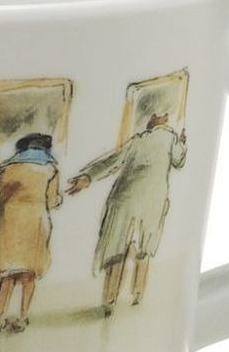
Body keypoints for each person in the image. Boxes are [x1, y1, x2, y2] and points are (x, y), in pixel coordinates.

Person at [67, 113, 187, 314]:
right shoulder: (170, 139)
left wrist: (88, 176)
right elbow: (179, 161)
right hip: (152, 202)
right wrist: (182, 144)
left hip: (124, 200)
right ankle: (138, 292)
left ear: (158, 118)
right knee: (144, 248)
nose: (150, 119)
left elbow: (113, 161)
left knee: (117, 249)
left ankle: (109, 299)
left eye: (153, 116)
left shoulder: (138, 141)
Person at [0, 133, 63, 332]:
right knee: (29, 275)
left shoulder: (6, 170)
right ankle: (22, 317)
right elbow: (52, 201)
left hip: (6, 223)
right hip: (35, 224)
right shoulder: (50, 170)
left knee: (7, 275)